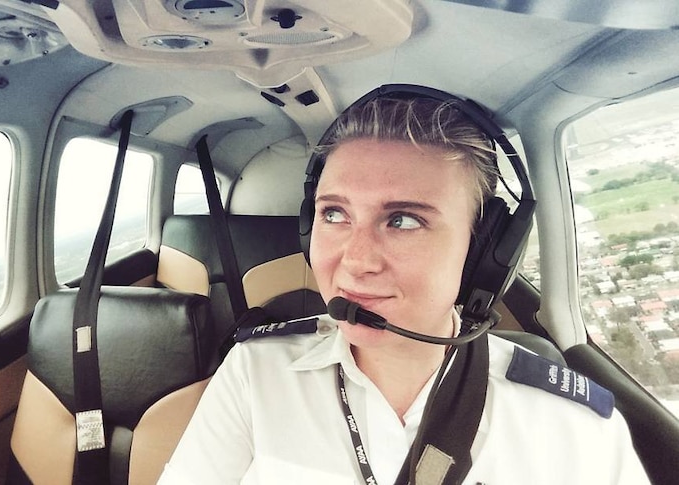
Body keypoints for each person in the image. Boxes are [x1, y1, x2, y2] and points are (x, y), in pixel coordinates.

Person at [158, 86, 650, 484]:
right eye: (334, 214)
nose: (355, 260)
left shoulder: (575, 424)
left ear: (483, 253)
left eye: (404, 221)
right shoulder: (256, 372)